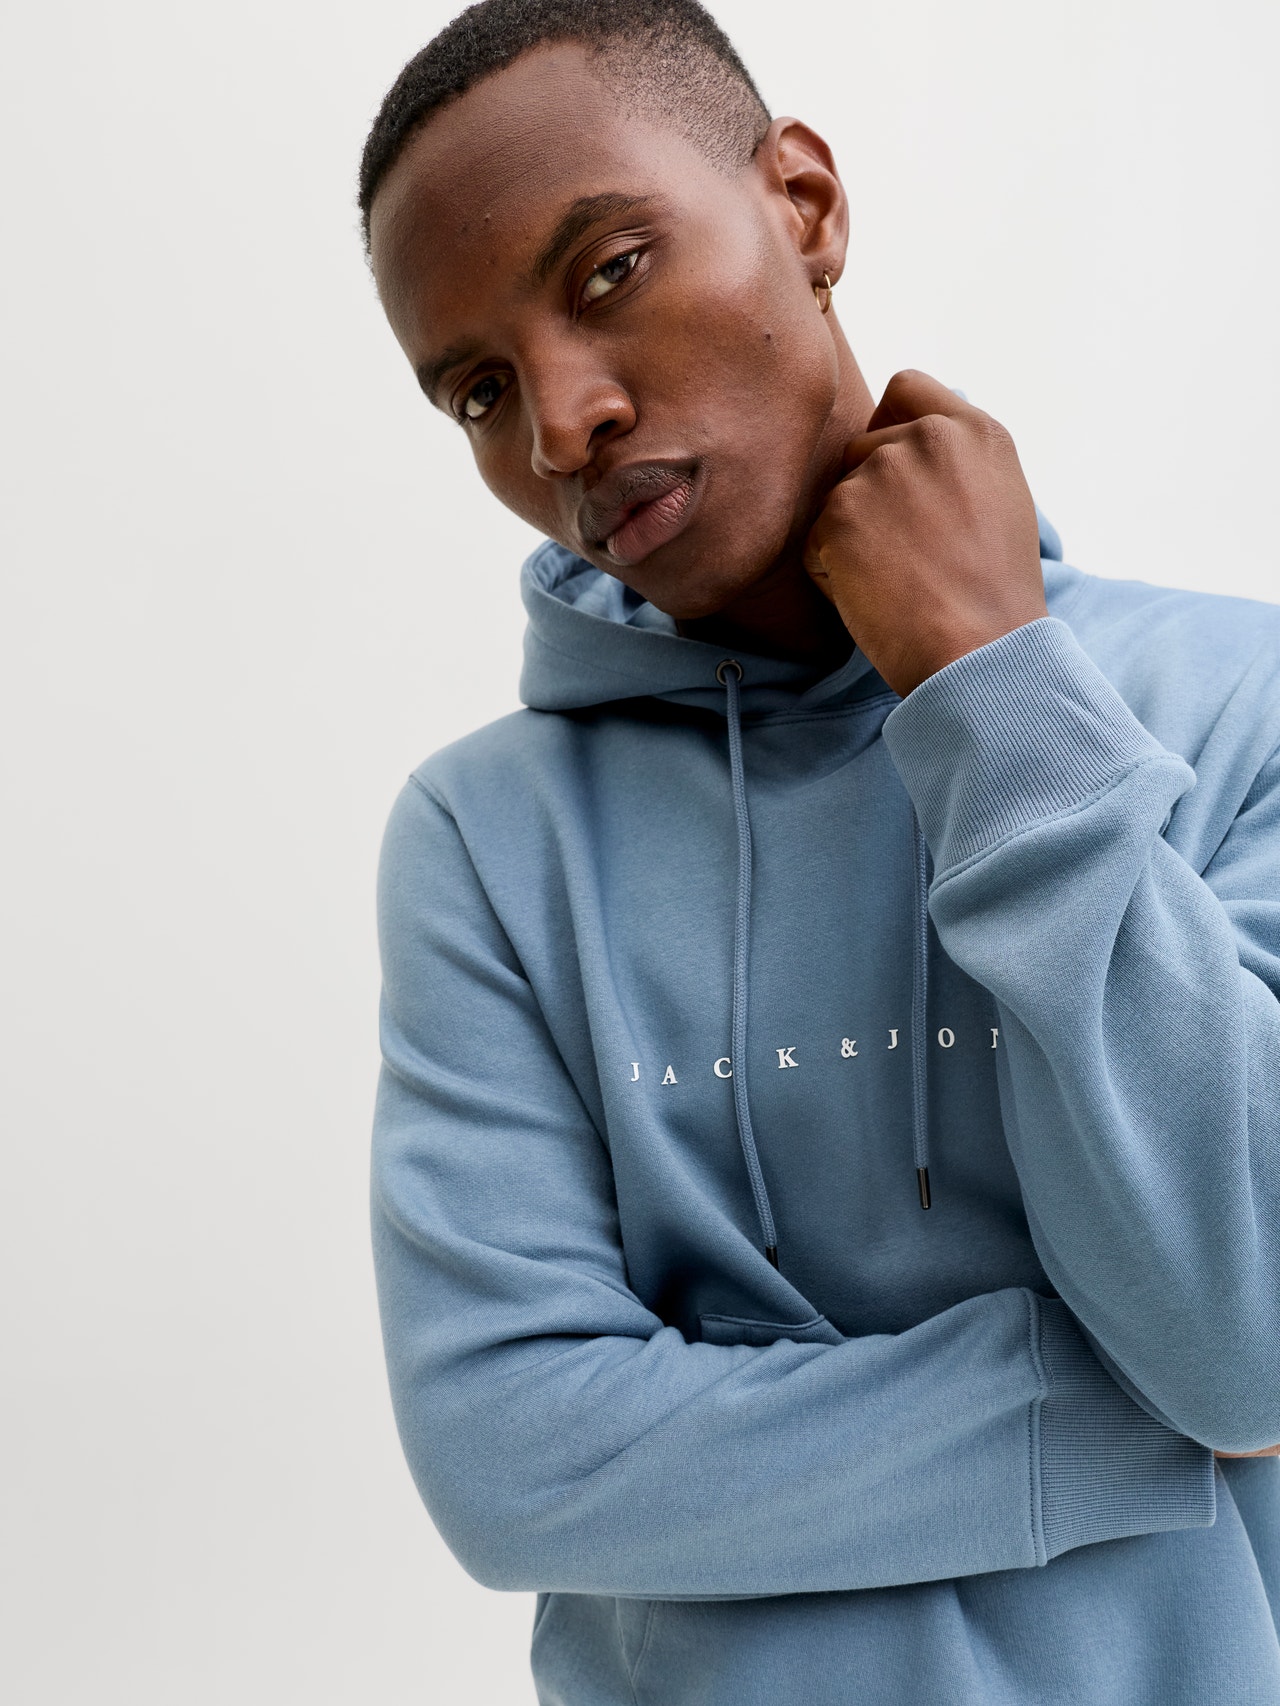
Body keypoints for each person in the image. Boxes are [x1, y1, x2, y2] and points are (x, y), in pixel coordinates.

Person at [359, 3, 1280, 1700]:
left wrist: (995, 693)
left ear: (804, 202)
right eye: (479, 390)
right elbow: (515, 1457)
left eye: (610, 269)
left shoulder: (1242, 699)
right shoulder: (486, 841)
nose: (560, 425)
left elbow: (1250, 1330)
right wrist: (1122, 1417)